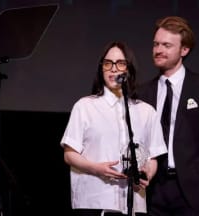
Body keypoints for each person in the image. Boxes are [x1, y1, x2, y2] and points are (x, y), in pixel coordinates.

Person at [137, 16, 199, 216]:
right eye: (156, 44)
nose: (158, 50)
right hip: (153, 190)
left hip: (193, 191)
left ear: (184, 50)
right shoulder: (143, 92)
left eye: (166, 45)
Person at [60, 41, 167, 216]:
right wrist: (96, 168)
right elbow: (69, 154)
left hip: (134, 204)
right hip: (94, 200)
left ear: (129, 69)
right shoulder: (85, 106)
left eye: (121, 63)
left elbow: (153, 156)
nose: (113, 69)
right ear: (101, 68)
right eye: (108, 63)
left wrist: (148, 172)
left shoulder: (146, 111)